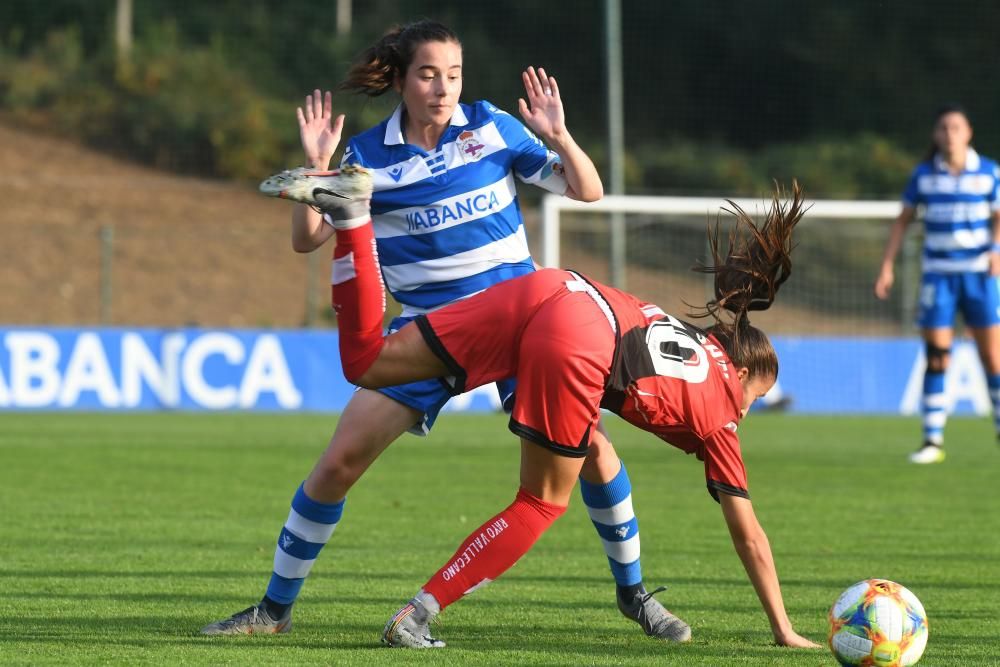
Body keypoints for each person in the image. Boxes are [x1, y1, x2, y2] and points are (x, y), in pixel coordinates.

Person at [203, 19, 679, 640]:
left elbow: (587, 190)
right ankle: (273, 611)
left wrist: (558, 135)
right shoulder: (369, 157)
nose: (443, 88)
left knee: (592, 449)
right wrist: (317, 171)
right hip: (432, 334)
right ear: (401, 80)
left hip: (521, 327)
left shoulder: (491, 128)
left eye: (453, 75)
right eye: (428, 74)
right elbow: (307, 241)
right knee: (338, 462)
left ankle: (635, 593)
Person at [265, 166, 821, 650]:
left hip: (553, 288)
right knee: (539, 502)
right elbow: (748, 534)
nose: (746, 413)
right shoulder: (721, 413)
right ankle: (418, 614)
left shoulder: (688, 334)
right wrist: (782, 627)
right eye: (755, 398)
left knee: (369, 363)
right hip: (579, 336)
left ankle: (354, 221)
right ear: (742, 374)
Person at [875, 104, 1000, 464]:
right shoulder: (924, 176)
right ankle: (933, 440)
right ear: (935, 135)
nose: (950, 134)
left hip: (979, 275)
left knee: (992, 356)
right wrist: (886, 266)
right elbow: (902, 222)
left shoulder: (989, 173)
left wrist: (995, 250)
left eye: (956, 127)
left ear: (969, 132)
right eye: (943, 128)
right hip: (938, 276)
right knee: (937, 356)